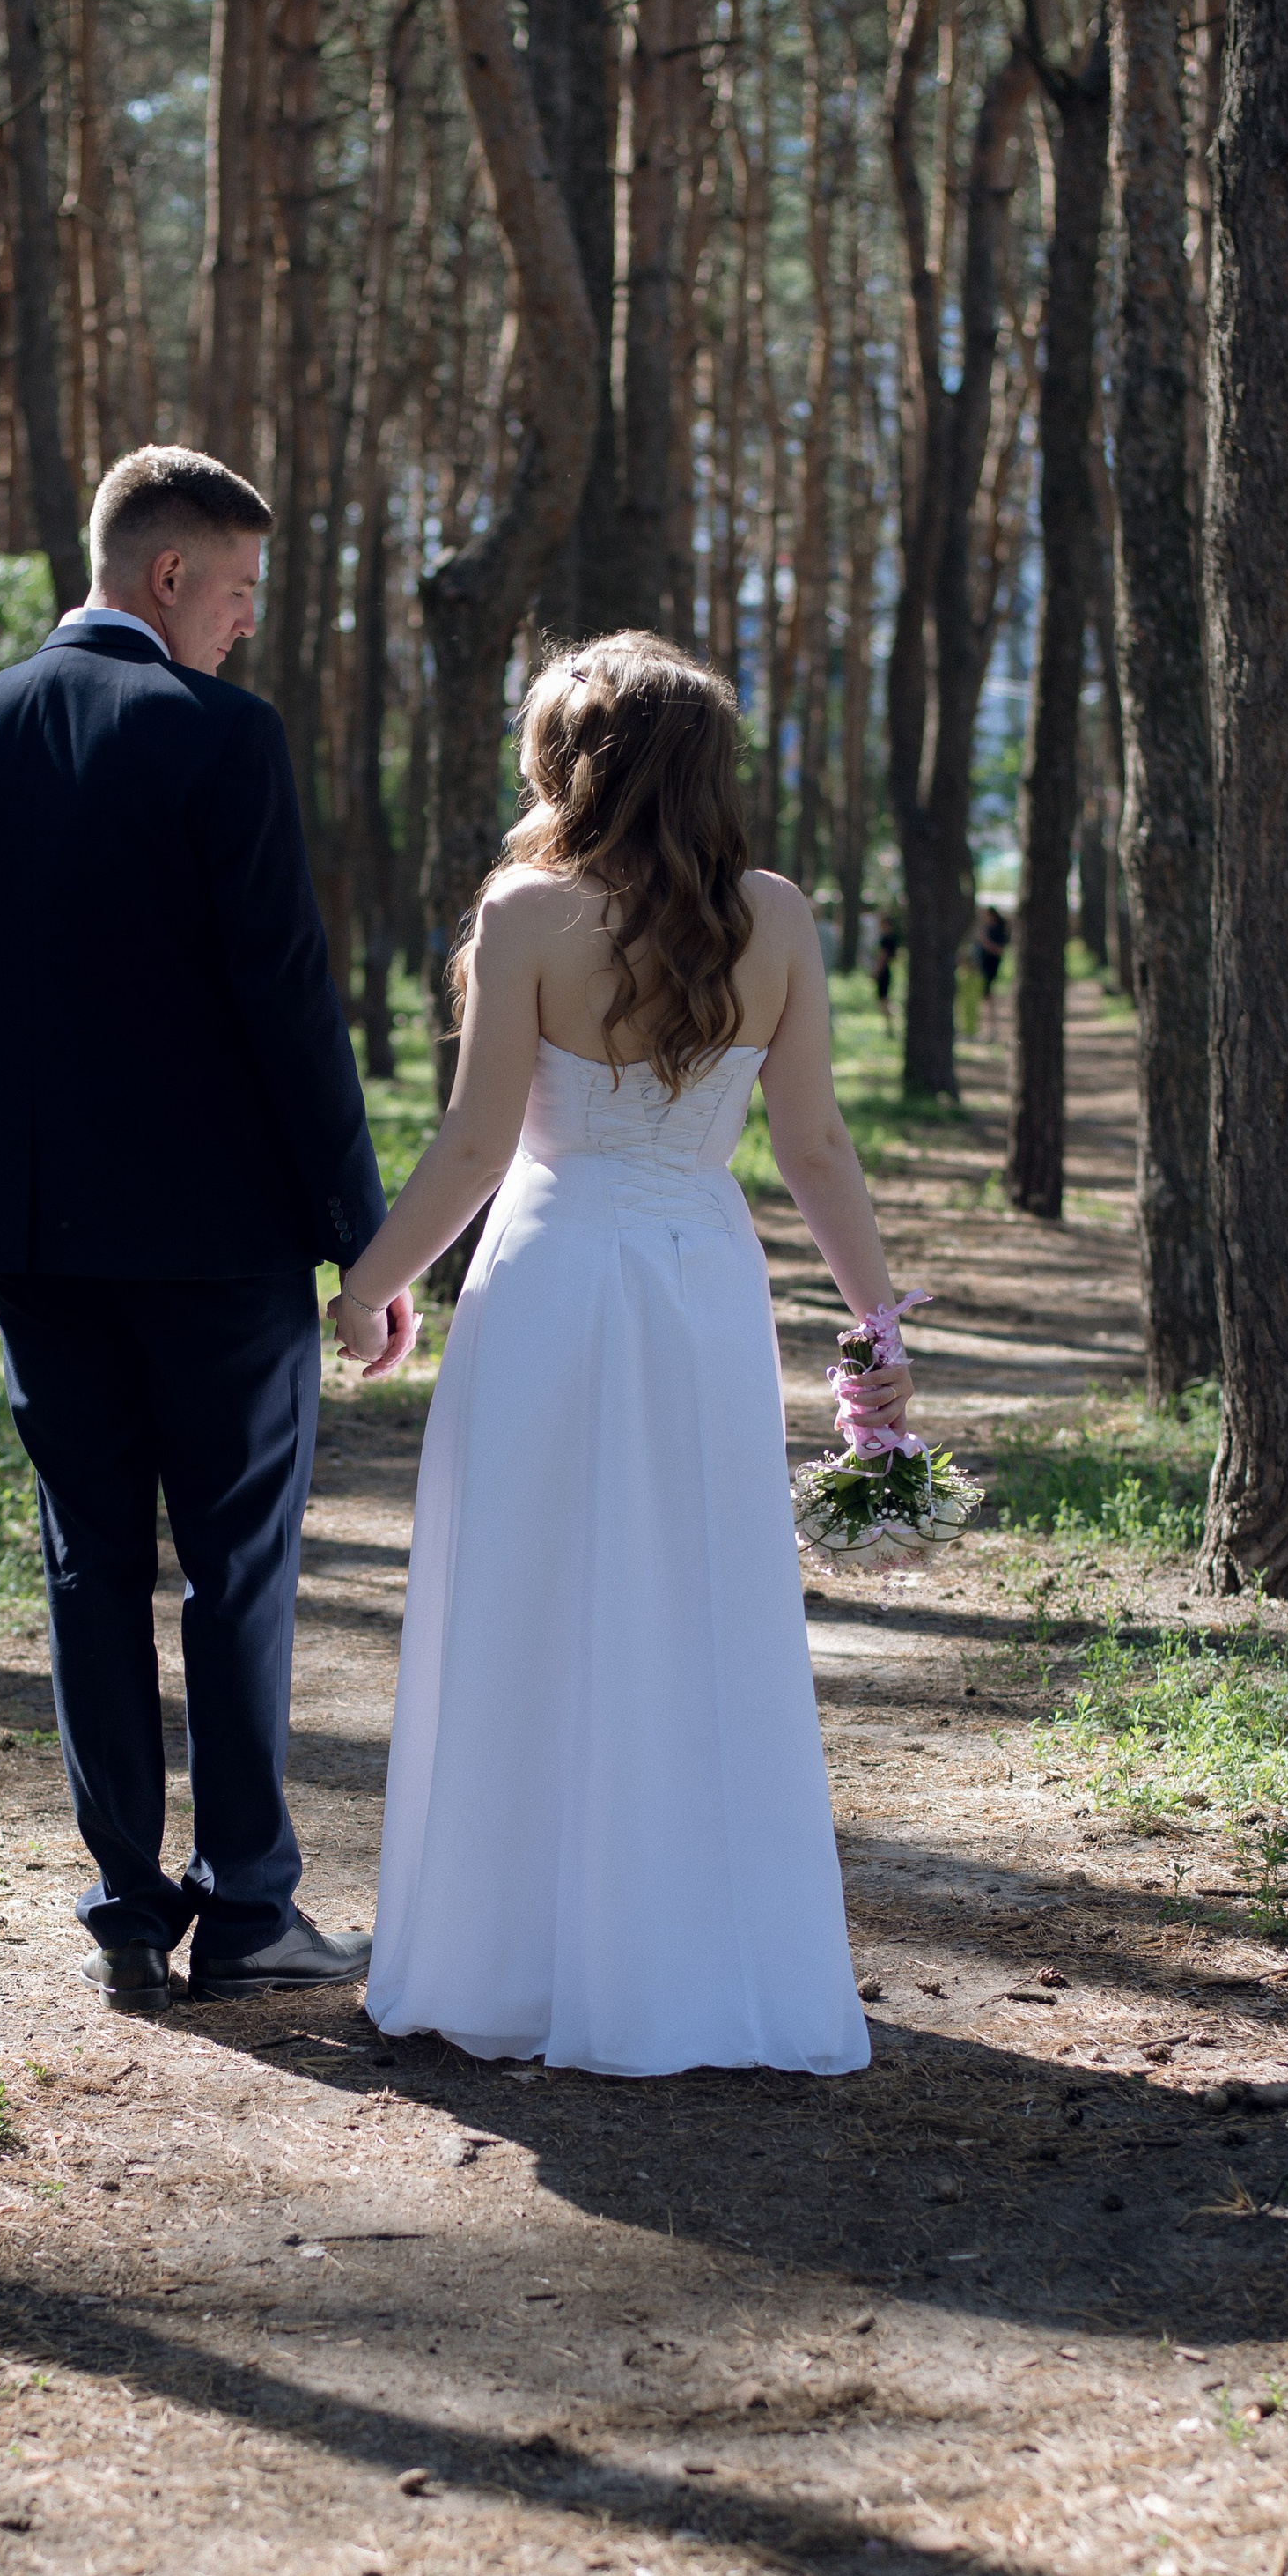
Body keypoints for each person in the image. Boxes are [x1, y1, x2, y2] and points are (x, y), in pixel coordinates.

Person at [332, 632, 919, 2078]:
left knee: (527, 1591)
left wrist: (369, 1286)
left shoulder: (527, 913)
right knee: (698, 1597)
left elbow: (476, 1145)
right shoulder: (774, 916)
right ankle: (696, 1956)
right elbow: (814, 1146)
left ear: (569, 761)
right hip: (700, 1278)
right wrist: (878, 1325)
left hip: (548, 1276)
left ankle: (511, 1953)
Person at [0, 445, 408, 2014]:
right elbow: (287, 998)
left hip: (36, 1242)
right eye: (239, 590)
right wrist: (365, 1238)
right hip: (219, 1241)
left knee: (91, 1565)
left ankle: (127, 1908)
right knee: (238, 1571)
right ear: (168, 575)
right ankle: (248, 1909)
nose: (247, 623)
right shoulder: (222, 736)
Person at [970, 898, 1010, 1030]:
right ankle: (985, 1026)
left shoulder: (998, 930)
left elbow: (999, 950)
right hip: (981, 966)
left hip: (990, 966)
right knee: (983, 996)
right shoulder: (987, 928)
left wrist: (984, 941)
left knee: (988, 996)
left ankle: (992, 1026)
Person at [872, 910, 901, 1023]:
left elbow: (882, 957)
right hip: (888, 970)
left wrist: (876, 972)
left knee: (883, 999)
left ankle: (890, 1021)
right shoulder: (893, 938)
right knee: (885, 997)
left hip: (884, 971)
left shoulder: (885, 939)